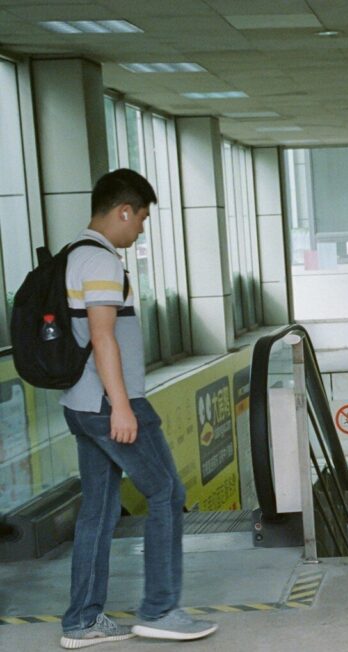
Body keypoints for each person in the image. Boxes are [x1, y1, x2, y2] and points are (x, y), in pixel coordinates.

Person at [59, 169, 218, 649]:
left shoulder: (74, 256)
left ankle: (82, 621)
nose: (142, 229)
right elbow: (103, 337)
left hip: (80, 403)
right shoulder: (103, 263)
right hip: (111, 404)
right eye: (142, 217)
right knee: (167, 492)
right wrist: (123, 408)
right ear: (123, 210)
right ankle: (160, 610)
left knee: (100, 511)